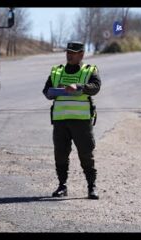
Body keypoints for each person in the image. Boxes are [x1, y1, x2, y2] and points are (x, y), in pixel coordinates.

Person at [42, 41, 101, 200]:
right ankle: (62, 186)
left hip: (81, 121)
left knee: (86, 154)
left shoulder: (89, 70)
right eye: (68, 52)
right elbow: (46, 90)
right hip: (61, 121)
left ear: (81, 54)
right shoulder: (57, 71)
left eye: (73, 53)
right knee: (60, 154)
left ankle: (91, 186)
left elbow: (95, 87)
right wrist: (52, 93)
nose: (69, 55)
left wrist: (80, 87)